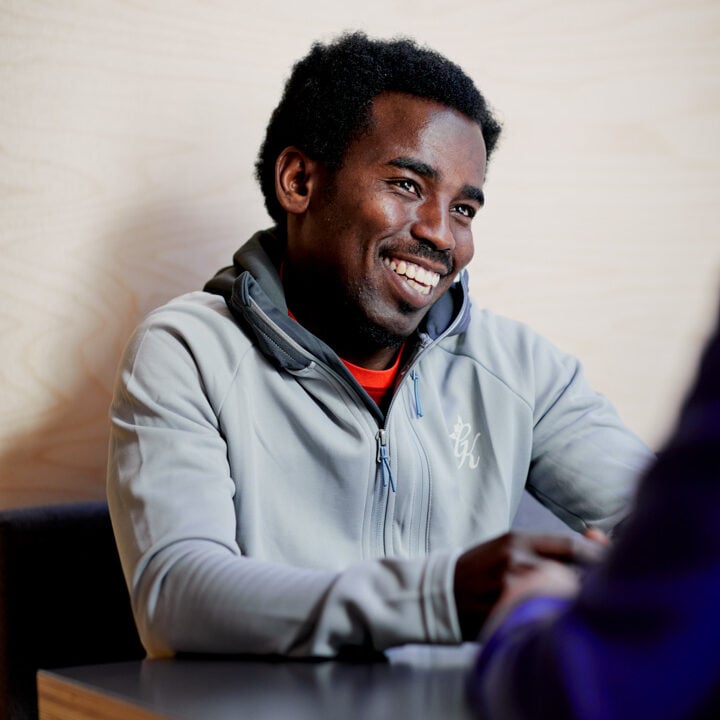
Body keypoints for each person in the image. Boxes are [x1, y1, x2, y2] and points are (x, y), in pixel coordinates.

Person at [106, 32, 653, 659]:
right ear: (299, 181)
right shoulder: (187, 352)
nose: (441, 234)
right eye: (407, 185)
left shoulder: (520, 369)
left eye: (464, 209)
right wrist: (438, 597)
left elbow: (684, 526)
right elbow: (175, 596)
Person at [468, 303, 720, 718]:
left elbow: (660, 527)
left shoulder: (520, 364)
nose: (438, 239)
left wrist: (547, 595)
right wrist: (532, 603)